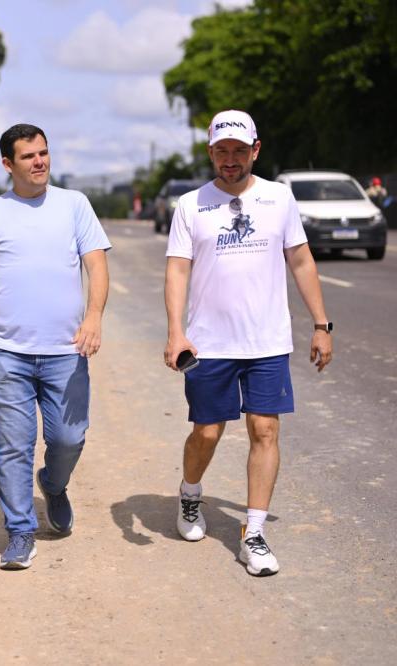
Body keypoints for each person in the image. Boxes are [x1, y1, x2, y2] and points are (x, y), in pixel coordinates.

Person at [164, 110, 333, 577]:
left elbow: (299, 259)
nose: (231, 160)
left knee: (265, 430)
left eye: (240, 151)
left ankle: (253, 532)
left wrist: (322, 323)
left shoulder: (279, 198)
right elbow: (178, 269)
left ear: (255, 150)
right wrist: (176, 331)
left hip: (267, 341)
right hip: (208, 344)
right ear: (211, 152)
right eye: (223, 151)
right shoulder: (190, 205)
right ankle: (191, 494)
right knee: (208, 432)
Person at [0, 124, 110, 570]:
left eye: (44, 153)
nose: (39, 161)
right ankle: (21, 531)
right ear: (8, 164)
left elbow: (96, 267)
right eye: (28, 156)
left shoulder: (74, 205)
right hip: (5, 352)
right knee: (12, 446)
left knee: (68, 438)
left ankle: (54, 484)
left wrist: (94, 316)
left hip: (66, 352)